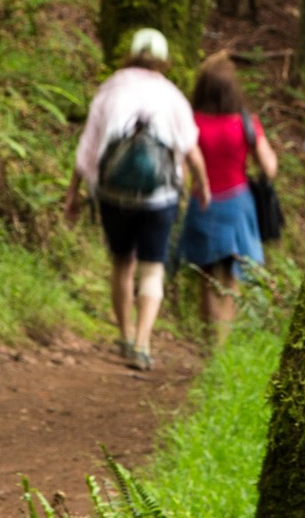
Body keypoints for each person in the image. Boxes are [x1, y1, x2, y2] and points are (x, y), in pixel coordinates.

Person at [65, 28, 208, 370]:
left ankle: (125, 335)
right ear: (164, 60)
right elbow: (190, 149)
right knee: (152, 269)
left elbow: (87, 147)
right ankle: (143, 344)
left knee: (121, 263)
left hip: (112, 193)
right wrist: (202, 185)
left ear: (130, 53)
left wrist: (73, 192)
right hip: (160, 196)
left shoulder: (111, 88)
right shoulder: (172, 95)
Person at [175, 53, 278, 341]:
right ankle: (222, 345)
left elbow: (182, 172)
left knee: (207, 278)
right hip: (237, 204)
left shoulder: (191, 122)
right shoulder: (246, 123)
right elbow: (269, 167)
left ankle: (211, 347)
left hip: (203, 202)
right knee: (231, 278)